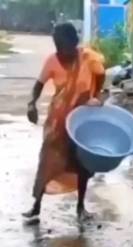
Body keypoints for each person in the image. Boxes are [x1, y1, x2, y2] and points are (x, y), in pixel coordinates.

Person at [22, 23, 105, 221]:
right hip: (58, 121)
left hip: (82, 119)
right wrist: (31, 104)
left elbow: (101, 75)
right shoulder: (52, 61)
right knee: (48, 160)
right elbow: (38, 85)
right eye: (60, 47)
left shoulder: (88, 58)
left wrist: (96, 95)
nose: (64, 51)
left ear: (74, 43)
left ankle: (81, 208)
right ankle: (36, 206)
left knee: (82, 161)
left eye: (68, 46)